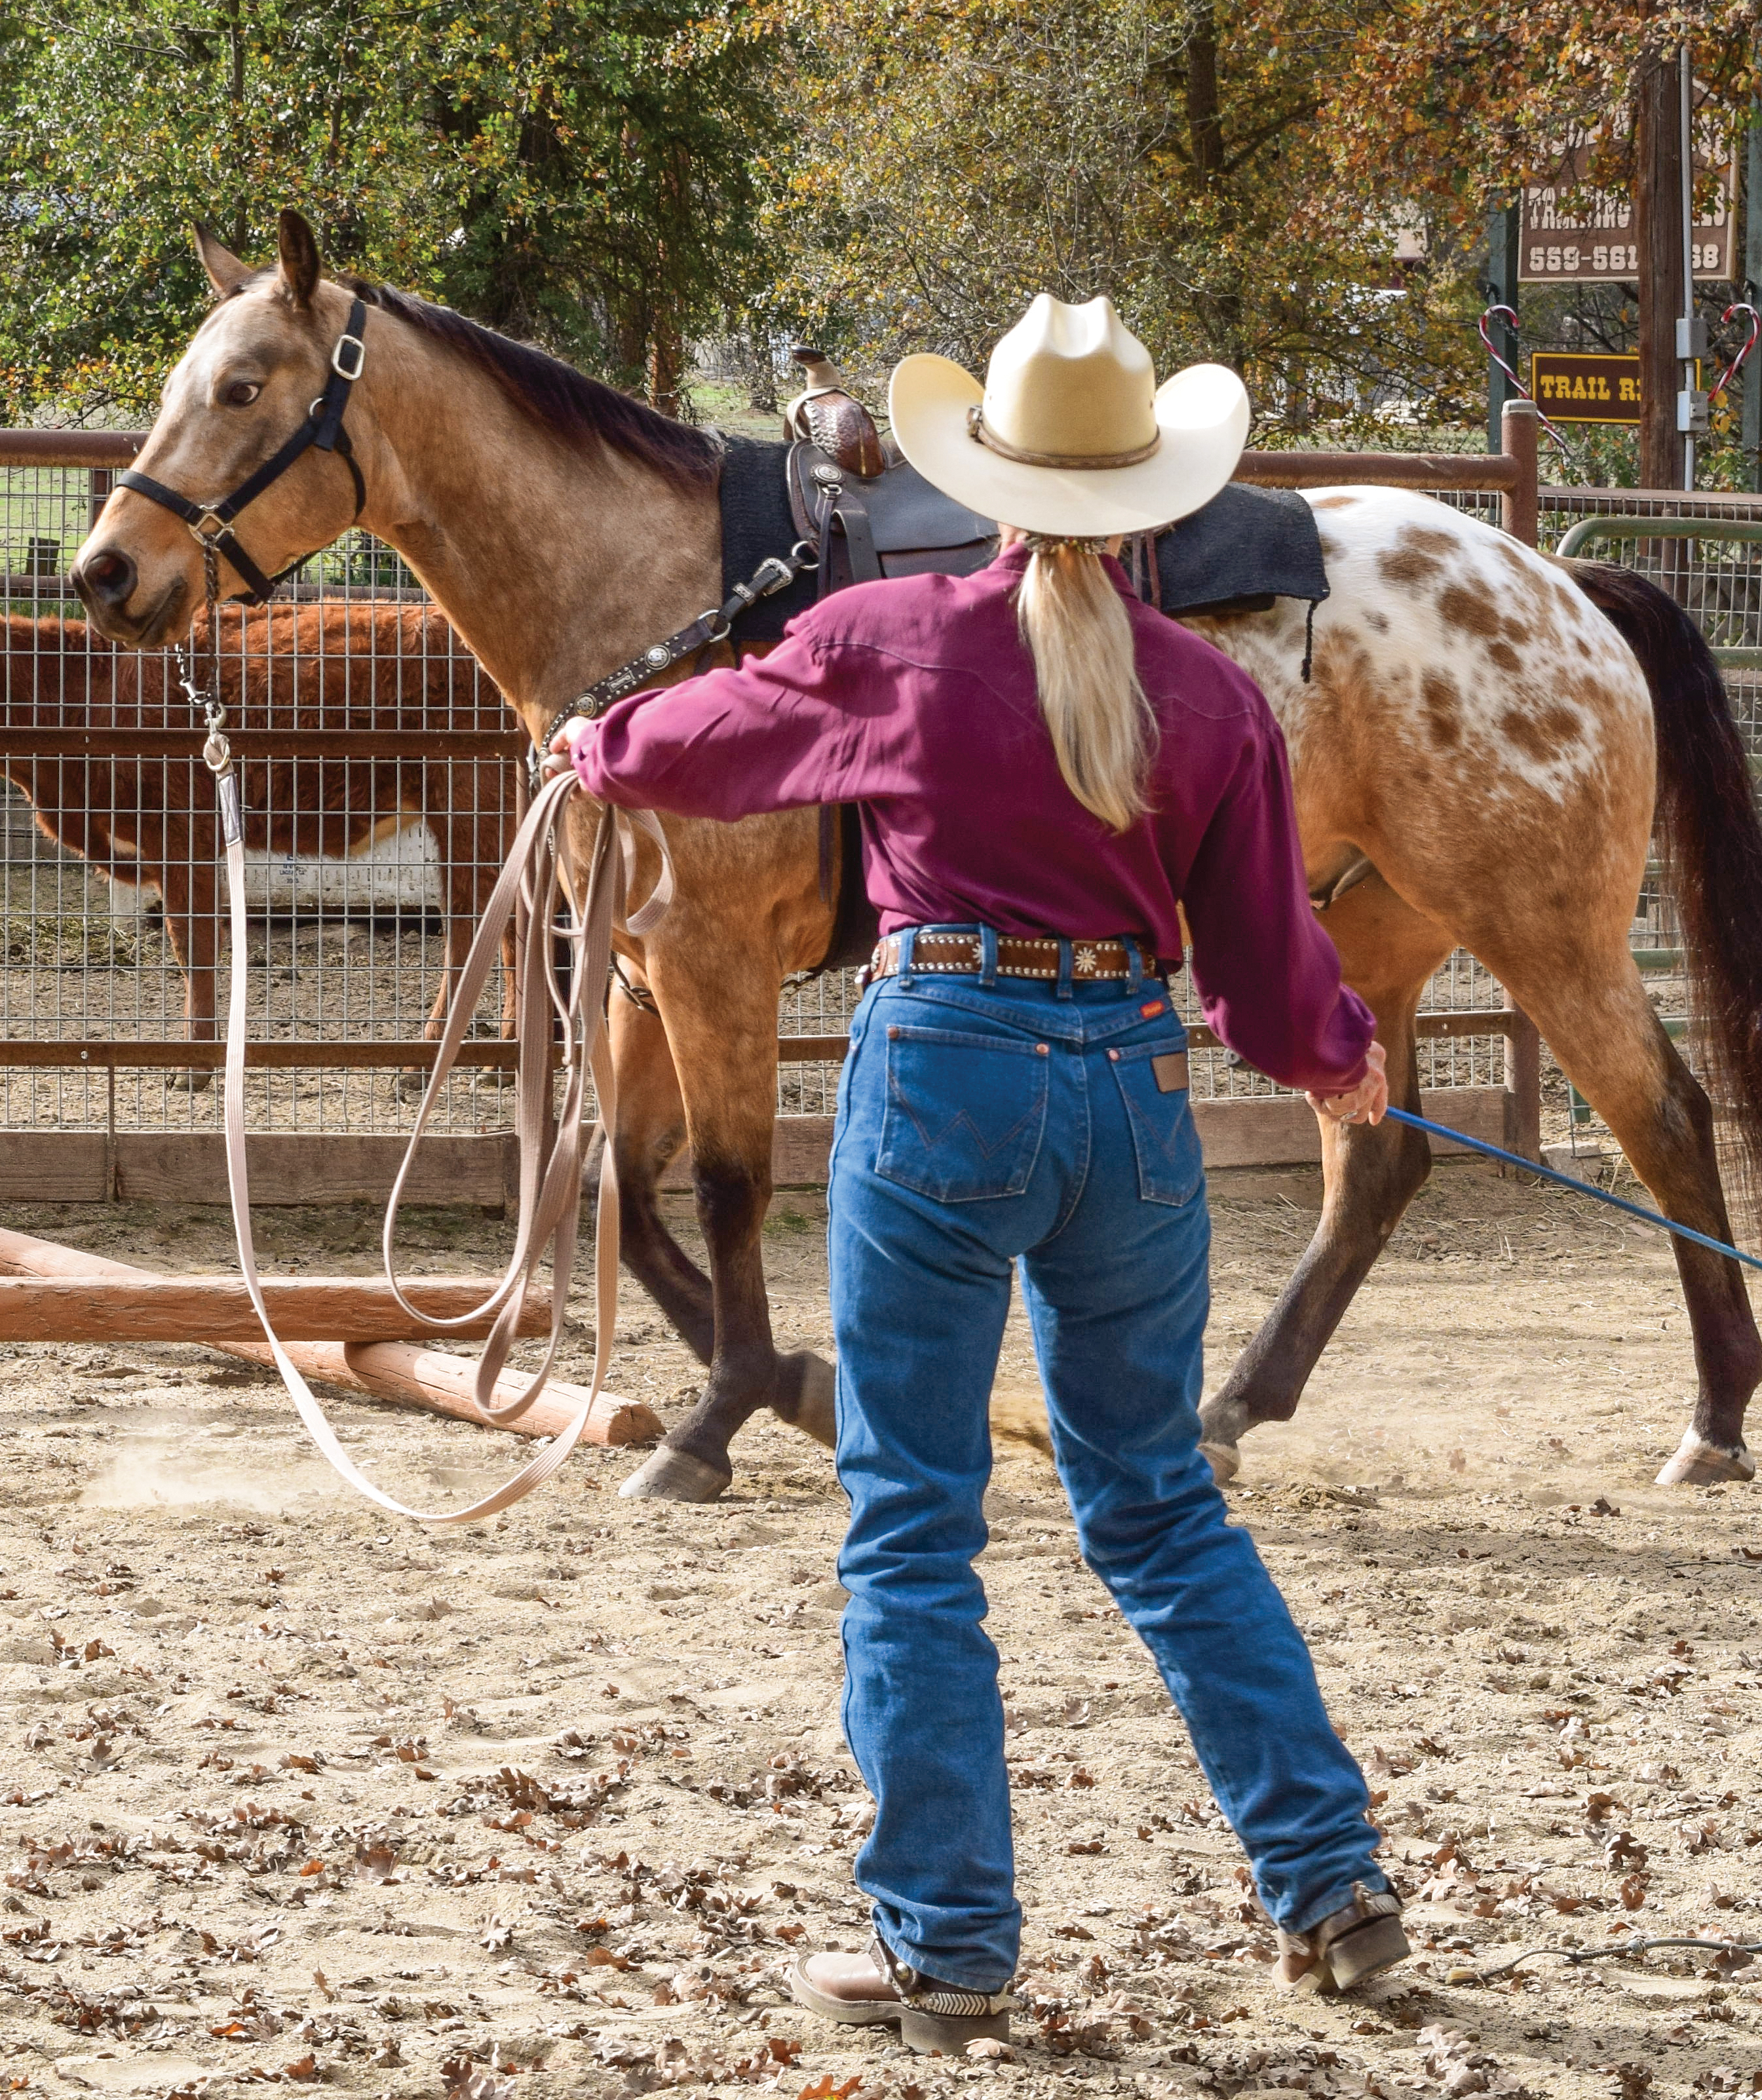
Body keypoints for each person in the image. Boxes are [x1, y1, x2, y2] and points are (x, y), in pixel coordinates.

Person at [553, 295, 1409, 2053]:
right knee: (1160, 1504)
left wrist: (593, 751)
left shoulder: (893, 638)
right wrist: (1339, 1054)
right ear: (1150, 507)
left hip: (940, 1072)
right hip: (1127, 1091)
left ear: (993, 494)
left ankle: (947, 1946)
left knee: (915, 1517)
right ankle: (1327, 1875)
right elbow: (1257, 976)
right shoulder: (1208, 699)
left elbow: (710, 740)